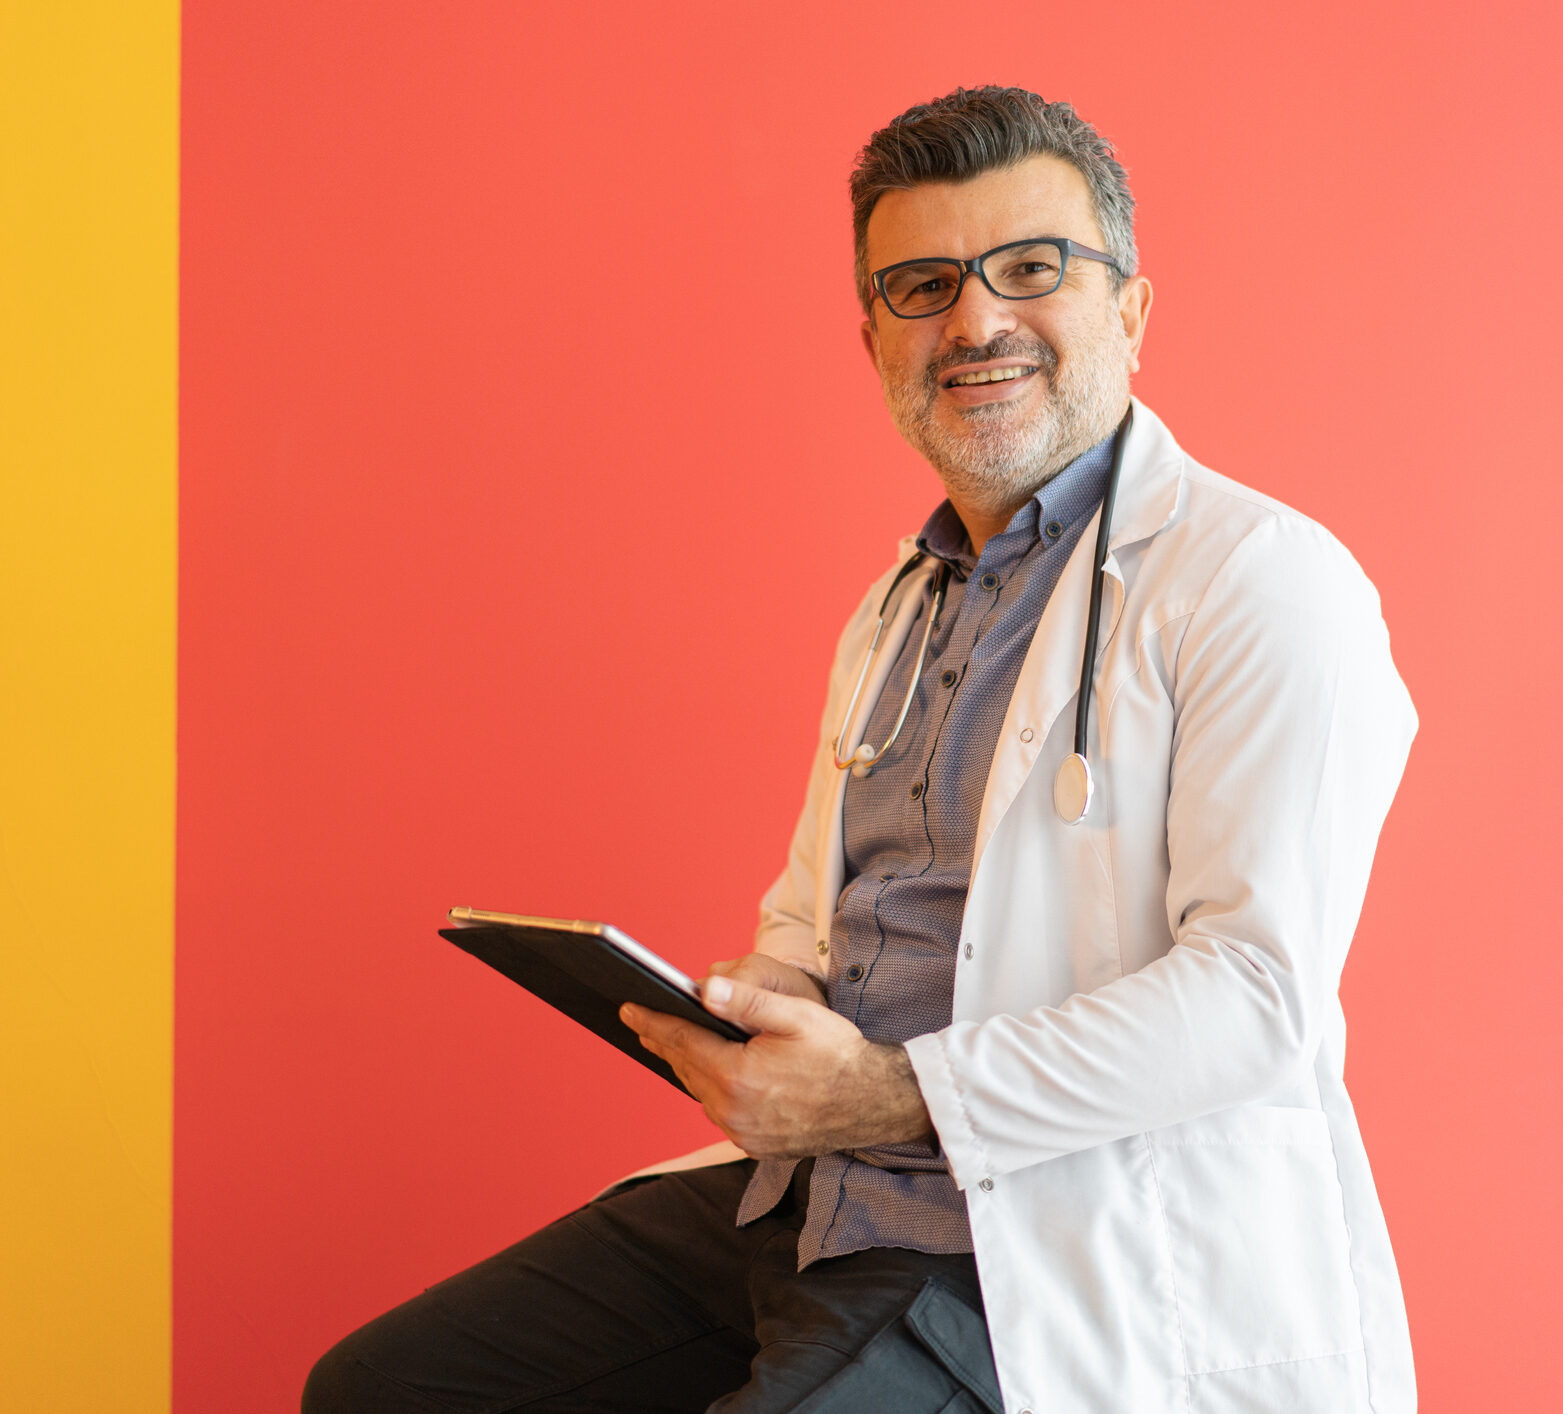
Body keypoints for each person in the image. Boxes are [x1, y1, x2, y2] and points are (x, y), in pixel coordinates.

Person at [305, 86, 1418, 1414]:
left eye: (1029, 268)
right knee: (385, 1387)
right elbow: (812, 920)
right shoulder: (900, 605)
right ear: (873, 336)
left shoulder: (1260, 582)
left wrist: (885, 1094)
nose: (976, 320)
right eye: (922, 284)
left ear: (1131, 309)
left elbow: (1255, 998)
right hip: (813, 1203)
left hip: (1035, 1250)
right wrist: (746, 1009)